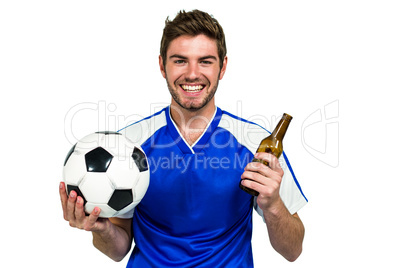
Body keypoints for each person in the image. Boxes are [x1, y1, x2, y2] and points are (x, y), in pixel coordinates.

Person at [59, 9, 308, 267]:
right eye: (180, 61)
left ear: (222, 67)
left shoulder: (255, 143)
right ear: (161, 66)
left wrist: (274, 205)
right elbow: (118, 249)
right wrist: (101, 228)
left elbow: (293, 251)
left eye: (205, 61)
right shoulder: (128, 145)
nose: (192, 73)